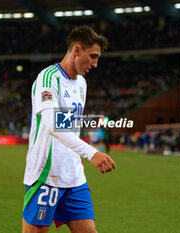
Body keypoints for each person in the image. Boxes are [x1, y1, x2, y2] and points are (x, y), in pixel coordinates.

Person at [22, 25, 116, 233]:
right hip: (46, 175)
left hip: (74, 177)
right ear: (76, 50)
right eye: (92, 56)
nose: (95, 64)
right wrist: (91, 152)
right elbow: (53, 125)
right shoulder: (48, 79)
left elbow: (70, 127)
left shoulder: (81, 84)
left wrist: (79, 156)